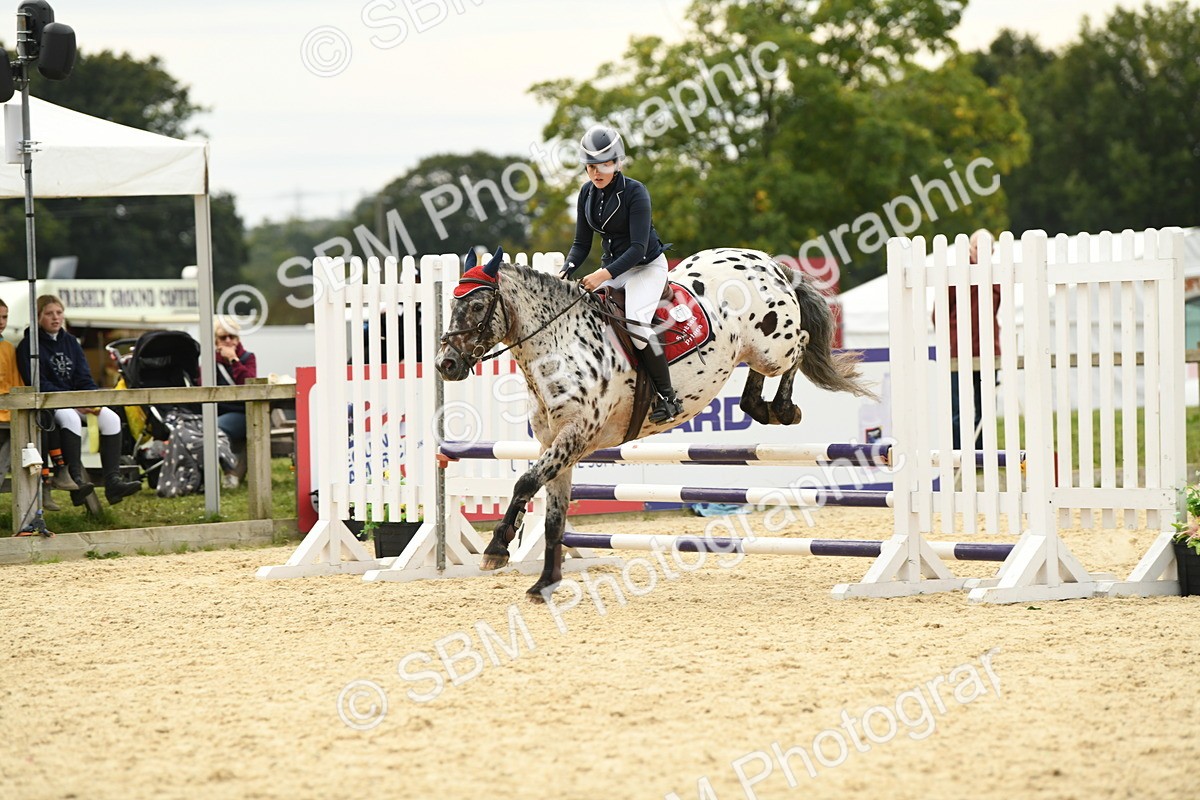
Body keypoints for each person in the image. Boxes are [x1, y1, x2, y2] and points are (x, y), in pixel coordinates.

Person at [561, 123, 681, 424]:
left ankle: (668, 397)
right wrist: (565, 270)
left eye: (604, 164)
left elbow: (638, 249)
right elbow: (580, 244)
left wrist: (602, 275)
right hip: (614, 269)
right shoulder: (586, 193)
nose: (596, 172)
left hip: (645, 266)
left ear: (617, 163)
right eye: (590, 166)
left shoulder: (636, 192)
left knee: (637, 326)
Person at [16, 294, 142, 506]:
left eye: (59, 313)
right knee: (70, 418)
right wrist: (74, 402)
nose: (55, 318)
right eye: (49, 314)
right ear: (38, 317)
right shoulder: (29, 345)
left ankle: (113, 482)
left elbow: (83, 376)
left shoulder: (71, 343)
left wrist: (90, 400)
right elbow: (37, 382)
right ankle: (76, 481)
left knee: (110, 417)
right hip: (49, 403)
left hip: (76, 401)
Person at [943, 229, 1002, 449]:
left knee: (986, 409)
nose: (983, 253)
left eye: (988, 249)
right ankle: (960, 457)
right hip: (959, 352)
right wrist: (956, 333)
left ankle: (981, 457)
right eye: (979, 248)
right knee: (958, 411)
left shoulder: (997, 275)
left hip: (989, 350)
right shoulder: (956, 274)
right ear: (970, 249)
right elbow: (938, 313)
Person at [214, 317, 257, 487]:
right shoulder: (210, 363)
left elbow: (249, 385)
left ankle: (230, 472)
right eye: (223, 337)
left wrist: (234, 361)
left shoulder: (248, 358)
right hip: (217, 412)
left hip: (242, 413)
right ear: (216, 341)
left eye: (232, 336)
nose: (228, 341)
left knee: (215, 430)